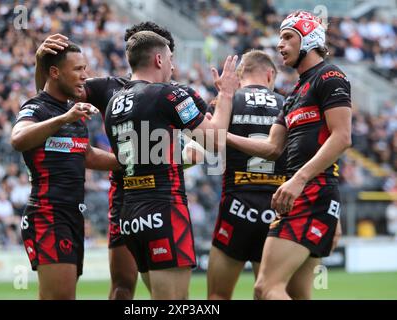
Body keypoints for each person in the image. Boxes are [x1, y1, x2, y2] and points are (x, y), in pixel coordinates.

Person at [34, 21, 209, 300]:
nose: (172, 66)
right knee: (124, 287)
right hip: (125, 197)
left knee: (168, 295)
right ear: (155, 56)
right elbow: (51, 97)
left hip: (160, 192)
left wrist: (179, 158)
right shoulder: (109, 88)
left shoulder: (180, 95)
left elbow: (204, 145)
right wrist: (42, 65)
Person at [227, 11, 351, 299]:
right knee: (296, 294)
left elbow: (342, 137)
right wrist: (222, 137)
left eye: (287, 37)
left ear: (309, 39)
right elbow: (272, 148)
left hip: (310, 194)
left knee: (265, 287)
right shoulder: (294, 94)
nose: (279, 45)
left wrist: (299, 180)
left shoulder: (330, 75)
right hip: (307, 195)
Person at [105, 30, 238, 299]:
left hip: (130, 215)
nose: (173, 66)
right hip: (163, 209)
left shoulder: (113, 103)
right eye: (170, 59)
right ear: (158, 59)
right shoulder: (168, 94)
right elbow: (214, 141)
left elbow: (146, 156)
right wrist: (225, 94)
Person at [11, 43, 120, 300]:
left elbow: (88, 155)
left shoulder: (71, 111)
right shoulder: (38, 107)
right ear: (55, 73)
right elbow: (18, 139)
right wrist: (63, 119)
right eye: (78, 69)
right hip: (48, 213)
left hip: (71, 215)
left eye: (86, 68)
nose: (85, 75)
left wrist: (135, 161)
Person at [207, 50, 286, 299]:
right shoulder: (288, 104)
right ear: (270, 74)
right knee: (268, 291)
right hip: (277, 209)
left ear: (240, 76)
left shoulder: (228, 101)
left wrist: (223, 97)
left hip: (236, 207)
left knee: (218, 296)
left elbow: (208, 144)